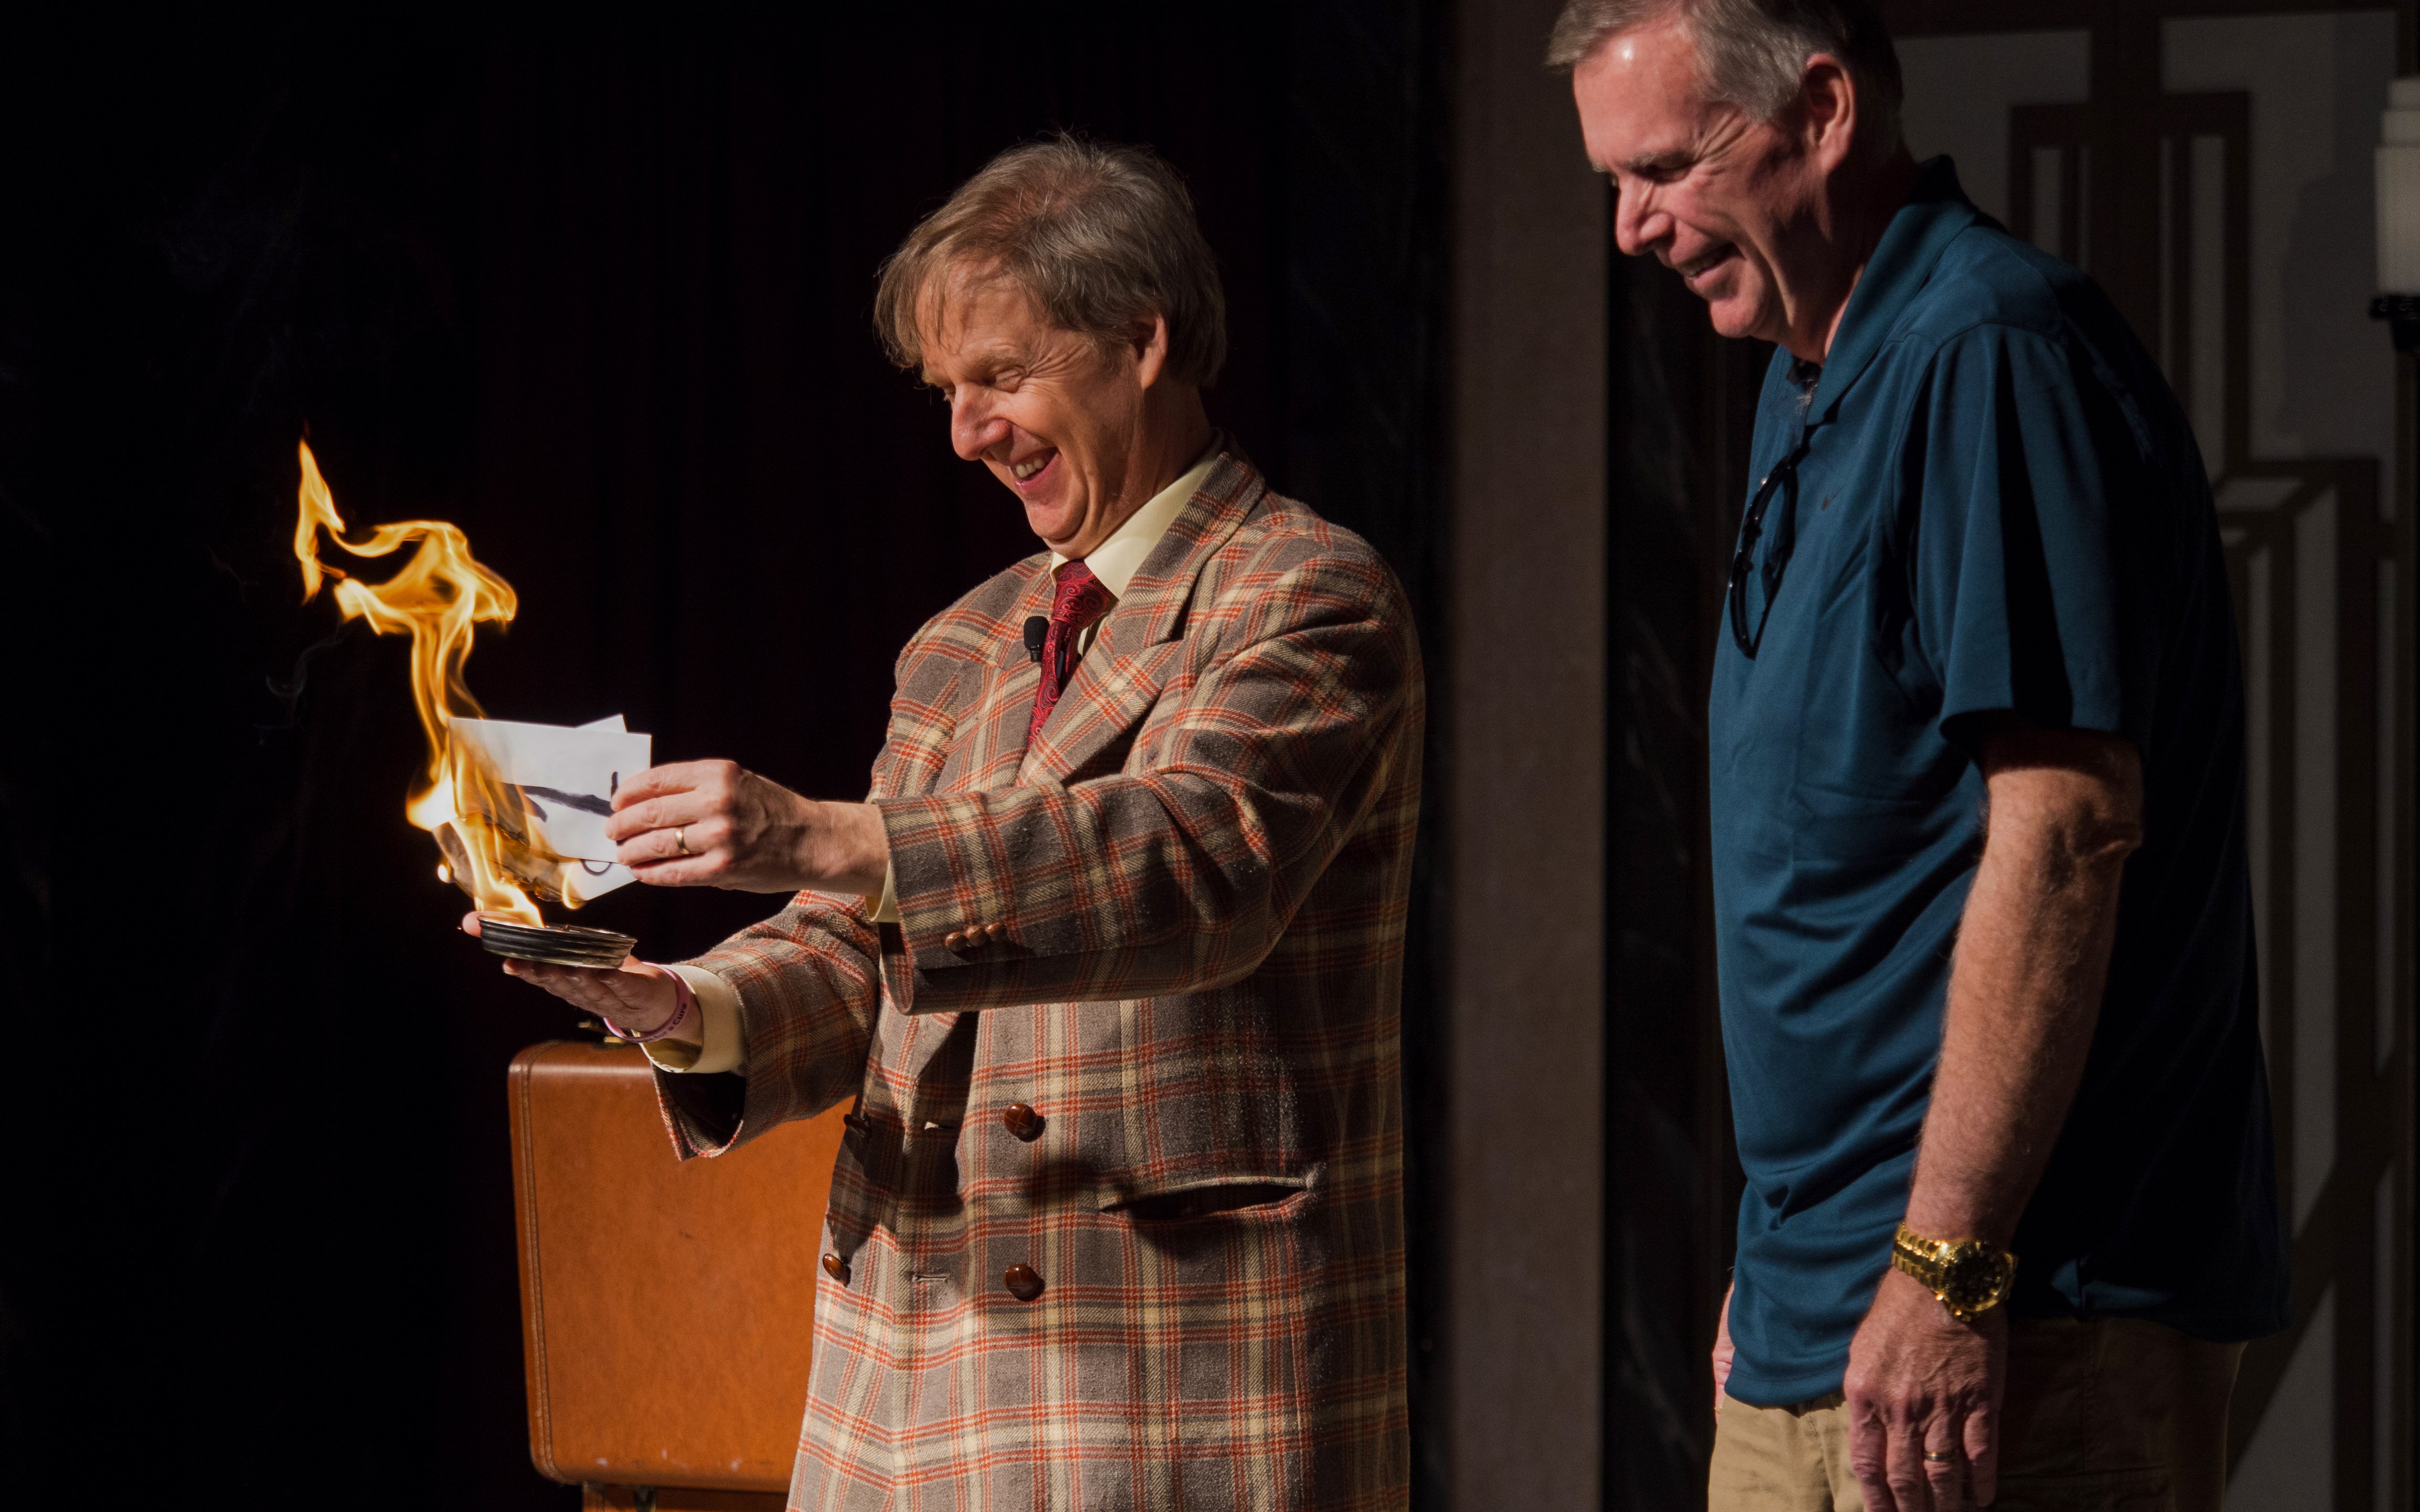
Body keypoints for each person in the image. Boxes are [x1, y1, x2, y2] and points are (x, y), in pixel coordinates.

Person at [478, 137, 1421, 1508]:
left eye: (1002, 377)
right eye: (948, 393)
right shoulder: (962, 644)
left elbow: (1195, 863)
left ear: (1143, 340)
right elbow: (861, 945)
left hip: (1174, 1385)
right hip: (915, 1388)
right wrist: (685, 1008)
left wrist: (832, 839)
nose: (969, 433)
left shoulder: (1307, 593)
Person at [1554, 3, 2288, 1508]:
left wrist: (1947, 1264)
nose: (1630, 228)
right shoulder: (1812, 372)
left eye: (1666, 169)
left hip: (2015, 1316)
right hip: (1823, 1308)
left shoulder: (1990, 352)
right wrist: (1792, 1256)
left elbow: (2067, 829)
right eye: (1611, 183)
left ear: (1823, 110)